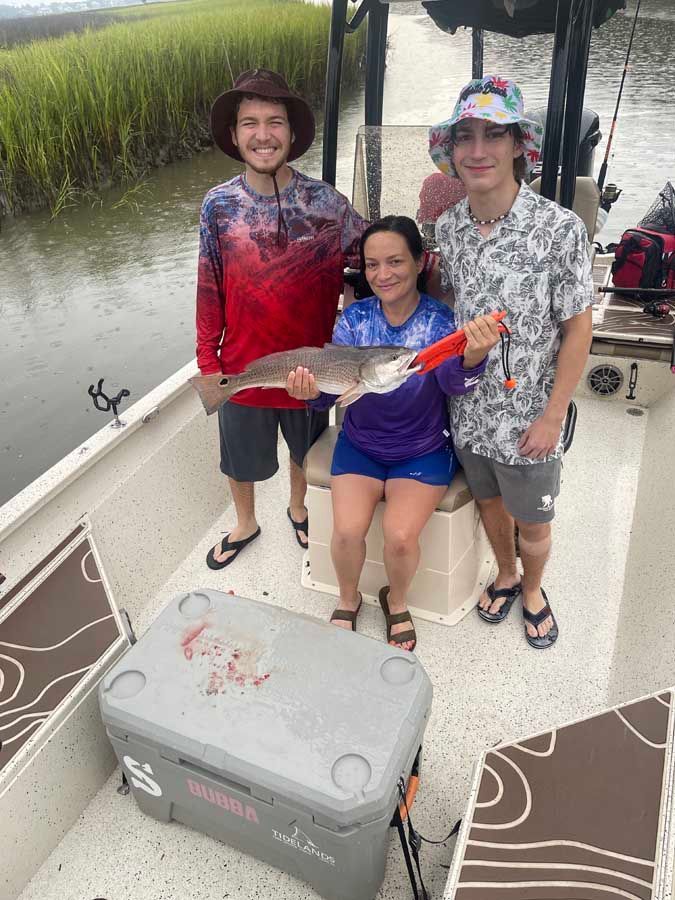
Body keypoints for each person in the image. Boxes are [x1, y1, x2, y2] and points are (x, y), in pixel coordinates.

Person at [429, 75, 594, 649]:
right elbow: (449, 309)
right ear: (449, 150)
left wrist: (553, 415)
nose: (478, 150)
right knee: (491, 504)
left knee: (536, 520)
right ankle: (504, 572)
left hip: (531, 419)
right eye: (465, 135)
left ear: (519, 145)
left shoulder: (561, 229)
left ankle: (533, 591)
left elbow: (578, 330)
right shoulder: (446, 229)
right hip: (470, 411)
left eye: (493, 134)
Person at [286, 216, 500, 651]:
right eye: (371, 265)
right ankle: (348, 600)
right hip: (361, 446)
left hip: (422, 451)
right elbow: (330, 397)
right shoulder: (354, 321)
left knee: (401, 539)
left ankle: (396, 601)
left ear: (421, 262)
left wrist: (474, 356)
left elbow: (454, 386)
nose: (383, 275)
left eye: (396, 261)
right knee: (346, 533)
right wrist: (309, 393)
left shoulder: (443, 323)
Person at [196, 68, 369, 569]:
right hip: (244, 365)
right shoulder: (218, 206)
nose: (263, 134)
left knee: (304, 451)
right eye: (249, 122)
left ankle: (298, 507)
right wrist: (209, 362)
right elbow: (209, 288)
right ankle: (245, 522)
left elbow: (377, 255)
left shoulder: (327, 204)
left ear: (292, 134)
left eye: (275, 121)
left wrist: (424, 261)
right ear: (234, 135)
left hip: (316, 365)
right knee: (238, 460)